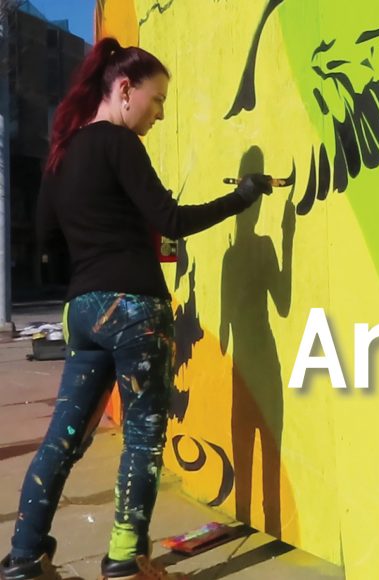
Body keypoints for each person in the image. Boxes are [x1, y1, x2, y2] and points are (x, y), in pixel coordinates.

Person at [0, 38, 273, 580]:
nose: (160, 112)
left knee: (63, 438)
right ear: (124, 90)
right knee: (144, 441)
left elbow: (47, 238)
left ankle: (24, 556)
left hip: (81, 311)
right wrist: (242, 198)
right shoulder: (119, 145)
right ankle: (125, 557)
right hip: (134, 310)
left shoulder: (60, 155)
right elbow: (171, 221)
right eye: (156, 99)